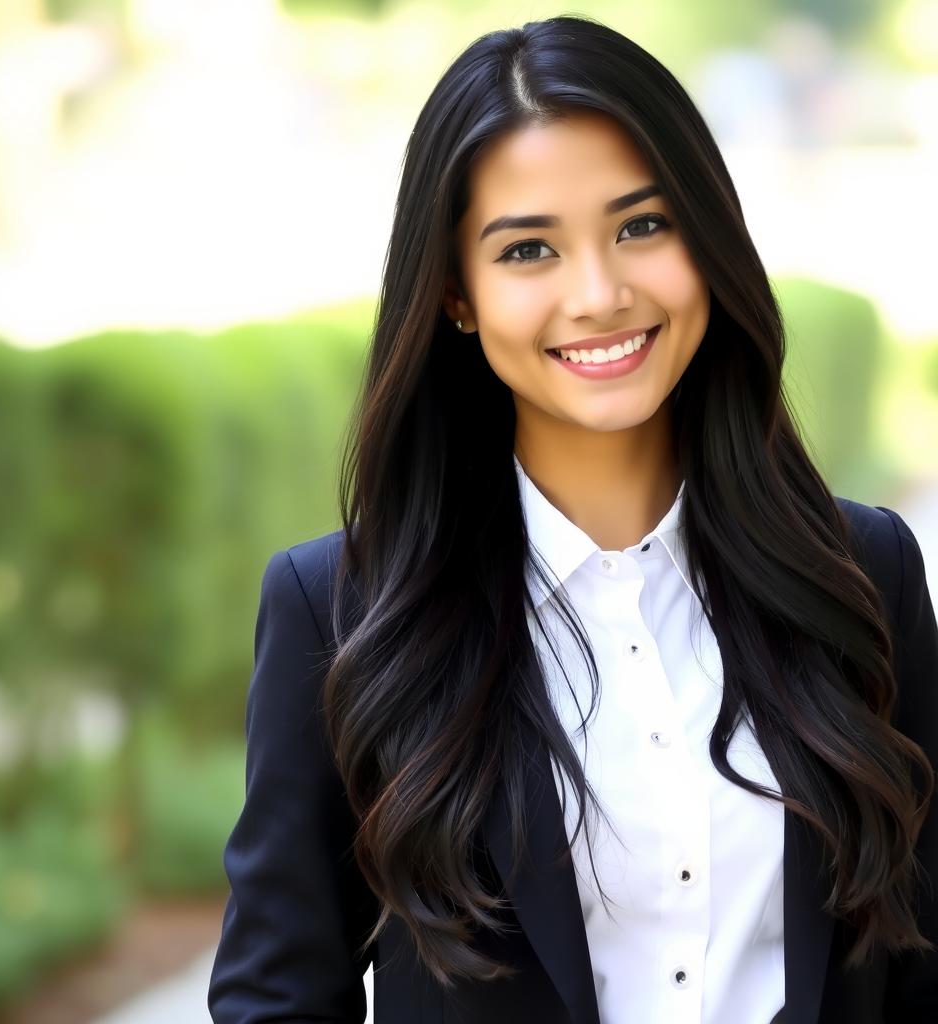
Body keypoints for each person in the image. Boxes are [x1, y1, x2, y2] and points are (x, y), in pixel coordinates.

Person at [207, 15, 937, 1024]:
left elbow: (923, 960)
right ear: (457, 293)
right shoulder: (340, 613)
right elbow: (277, 997)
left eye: (641, 225)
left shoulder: (862, 574)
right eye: (528, 250)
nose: (598, 293)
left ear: (707, 239)